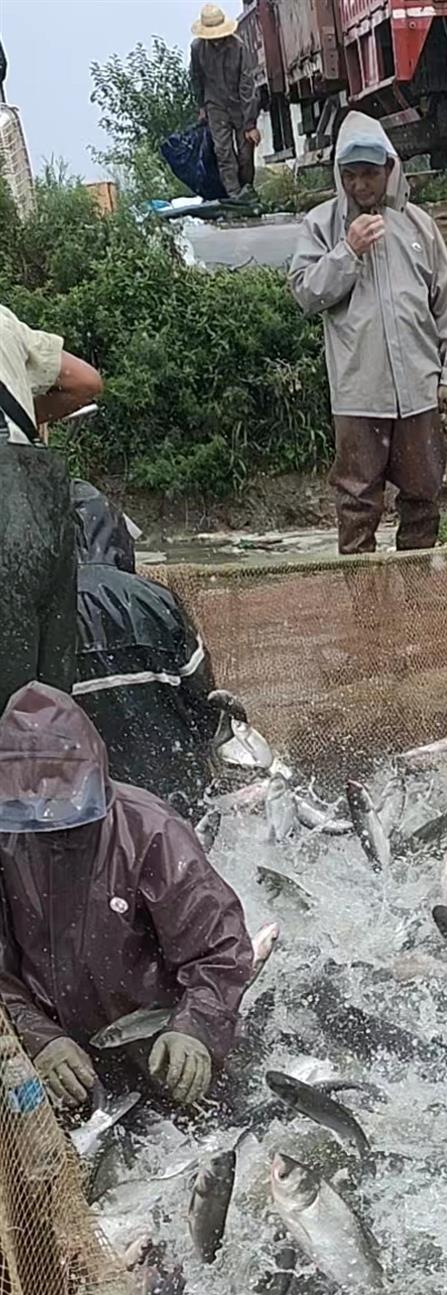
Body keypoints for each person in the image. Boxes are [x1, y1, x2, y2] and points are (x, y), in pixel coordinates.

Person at [0, 684, 253, 1110]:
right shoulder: (8, 841)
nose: (52, 820)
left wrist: (195, 1028)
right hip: (66, 1069)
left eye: (65, 803)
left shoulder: (151, 830)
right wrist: (38, 1039)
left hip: (162, 1048)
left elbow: (221, 948)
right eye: (35, 805)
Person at [289, 112, 447, 555]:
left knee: (423, 499)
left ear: (390, 170)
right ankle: (369, 617)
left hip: (419, 391)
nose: (360, 186)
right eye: (349, 176)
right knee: (356, 506)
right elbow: (306, 293)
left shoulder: (417, 225)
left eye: (369, 174)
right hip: (358, 394)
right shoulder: (323, 225)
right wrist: (347, 251)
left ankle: (416, 608)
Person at [72, 482, 221, 815]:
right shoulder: (156, 599)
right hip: (174, 801)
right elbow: (205, 701)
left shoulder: (32, 611)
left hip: (83, 810)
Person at [1, 305, 102, 704]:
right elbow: (85, 382)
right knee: (43, 704)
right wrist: (30, 413)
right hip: (32, 510)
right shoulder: (4, 320)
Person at [190, 4, 260, 204]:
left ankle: (247, 190)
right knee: (224, 153)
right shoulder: (197, 49)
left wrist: (250, 124)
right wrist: (201, 106)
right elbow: (196, 78)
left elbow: (247, 84)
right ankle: (235, 196)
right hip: (215, 106)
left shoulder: (238, 46)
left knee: (246, 154)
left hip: (239, 105)